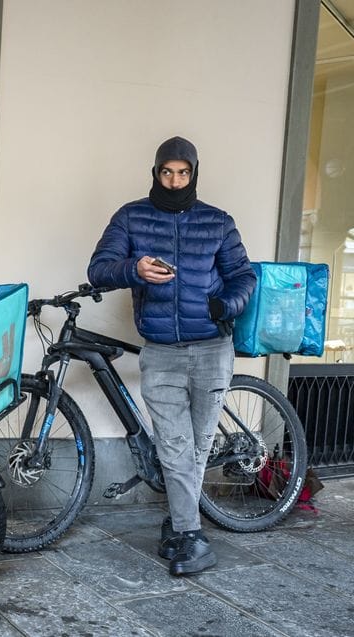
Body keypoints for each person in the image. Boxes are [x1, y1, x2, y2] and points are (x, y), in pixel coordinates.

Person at [87, 136, 257, 576]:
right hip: (161, 351)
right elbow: (98, 268)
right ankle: (190, 536)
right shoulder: (131, 217)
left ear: (194, 173)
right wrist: (133, 269)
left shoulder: (218, 222)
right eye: (167, 172)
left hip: (212, 348)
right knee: (176, 444)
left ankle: (178, 522)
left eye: (183, 172)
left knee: (199, 445)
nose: (175, 180)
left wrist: (227, 306)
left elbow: (243, 275)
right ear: (156, 172)